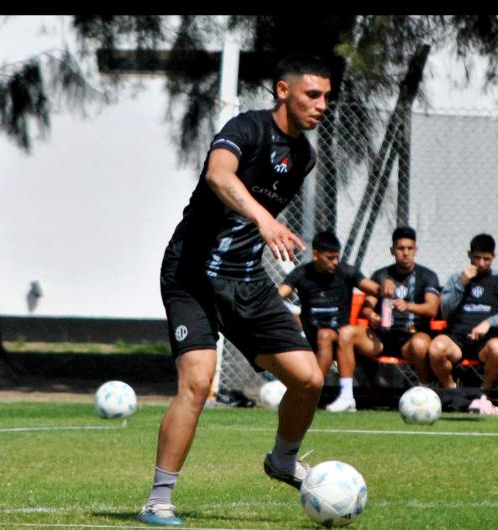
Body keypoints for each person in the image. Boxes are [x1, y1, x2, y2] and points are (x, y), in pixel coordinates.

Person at [138, 54, 332, 526]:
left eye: (327, 96)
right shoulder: (245, 128)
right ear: (282, 91)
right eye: (313, 94)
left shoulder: (302, 156)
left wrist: (265, 228)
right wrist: (265, 219)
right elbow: (219, 176)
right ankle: (158, 500)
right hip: (192, 276)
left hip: (246, 280)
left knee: (309, 380)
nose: (323, 105)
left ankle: (283, 459)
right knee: (198, 383)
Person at [335, 226, 441, 411]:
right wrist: (372, 316)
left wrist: (408, 306)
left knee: (421, 344)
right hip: (381, 338)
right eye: (400, 249)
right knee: (346, 333)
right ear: (392, 250)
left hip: (411, 337)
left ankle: (426, 392)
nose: (405, 253)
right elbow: (366, 308)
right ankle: (346, 397)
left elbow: (432, 308)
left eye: (409, 248)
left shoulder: (427, 276)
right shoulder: (381, 275)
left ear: (415, 249)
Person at [278, 230, 381, 409]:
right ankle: (311, 394)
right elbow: (279, 295)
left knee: (328, 335)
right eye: (330, 258)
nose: (335, 262)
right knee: (323, 336)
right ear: (316, 254)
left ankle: (313, 395)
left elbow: (372, 288)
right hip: (311, 338)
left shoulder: (345, 271)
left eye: (337, 257)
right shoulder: (302, 273)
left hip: (342, 338)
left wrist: (385, 290)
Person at [427, 233, 498, 392]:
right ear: (469, 255)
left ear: (494, 257)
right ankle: (452, 391)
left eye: (486, 259)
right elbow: (445, 310)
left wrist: (488, 323)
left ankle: (483, 393)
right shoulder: (456, 278)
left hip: (486, 339)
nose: (481, 263)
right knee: (435, 348)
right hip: (456, 338)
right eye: (477, 258)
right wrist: (462, 283)